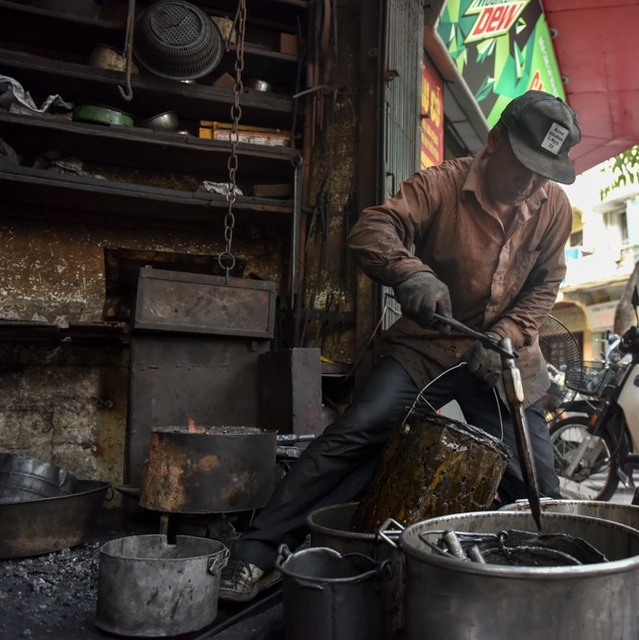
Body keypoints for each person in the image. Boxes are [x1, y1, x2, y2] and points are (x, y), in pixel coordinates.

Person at [218, 90, 582, 602]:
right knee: (359, 432)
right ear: (494, 141)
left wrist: (508, 332)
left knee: (537, 482)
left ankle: (529, 582)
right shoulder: (443, 184)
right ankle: (256, 553)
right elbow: (373, 226)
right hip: (425, 347)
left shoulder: (552, 208)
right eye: (523, 166)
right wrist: (412, 273)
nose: (529, 183)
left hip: (499, 360)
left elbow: (547, 285)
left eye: (543, 172)